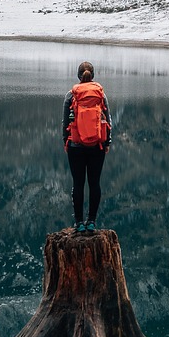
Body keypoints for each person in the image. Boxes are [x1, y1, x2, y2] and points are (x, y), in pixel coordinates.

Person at [63, 60, 111, 234]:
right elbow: (108, 120)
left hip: (76, 145)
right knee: (94, 183)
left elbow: (65, 122)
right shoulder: (100, 94)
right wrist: (107, 143)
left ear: (78, 76)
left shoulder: (71, 95)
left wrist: (66, 141)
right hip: (97, 145)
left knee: (78, 184)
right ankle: (92, 222)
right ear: (93, 76)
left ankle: (78, 223)